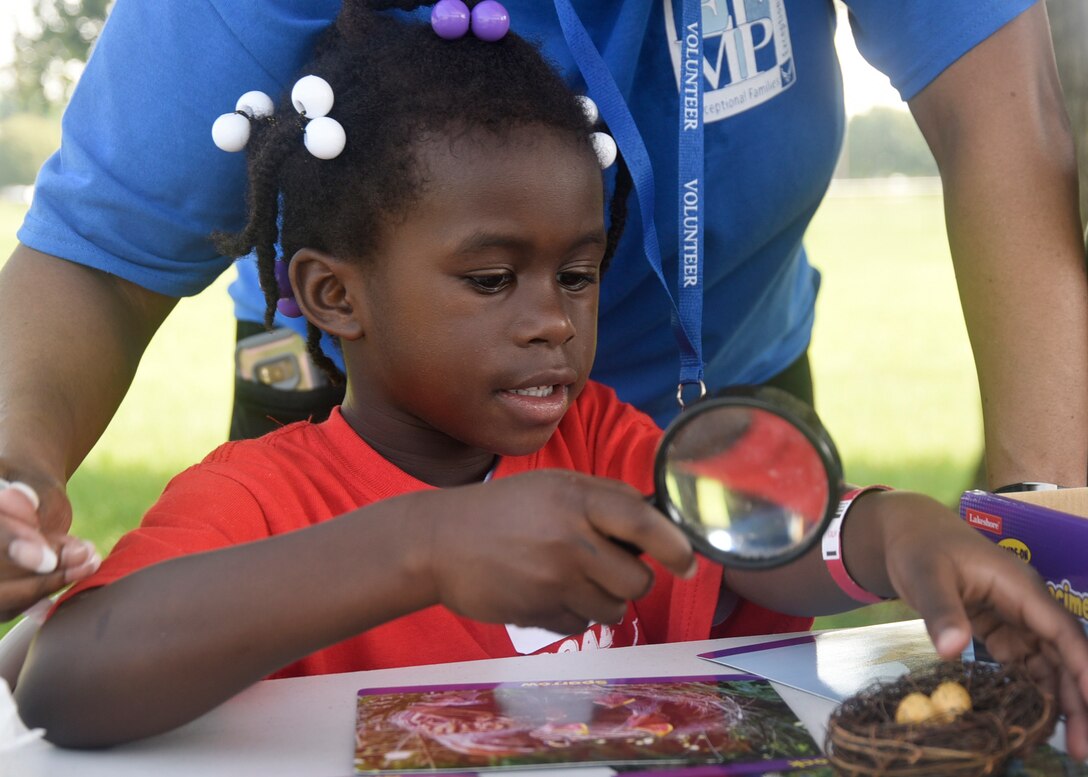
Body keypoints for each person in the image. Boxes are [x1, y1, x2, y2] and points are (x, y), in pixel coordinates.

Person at [12, 4, 1088, 753]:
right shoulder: (258, 498)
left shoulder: (608, 446)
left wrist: (894, 534)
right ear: (333, 296)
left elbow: (763, 540)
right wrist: (422, 548)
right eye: (490, 278)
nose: (552, 324)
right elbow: (68, 682)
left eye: (576, 274)